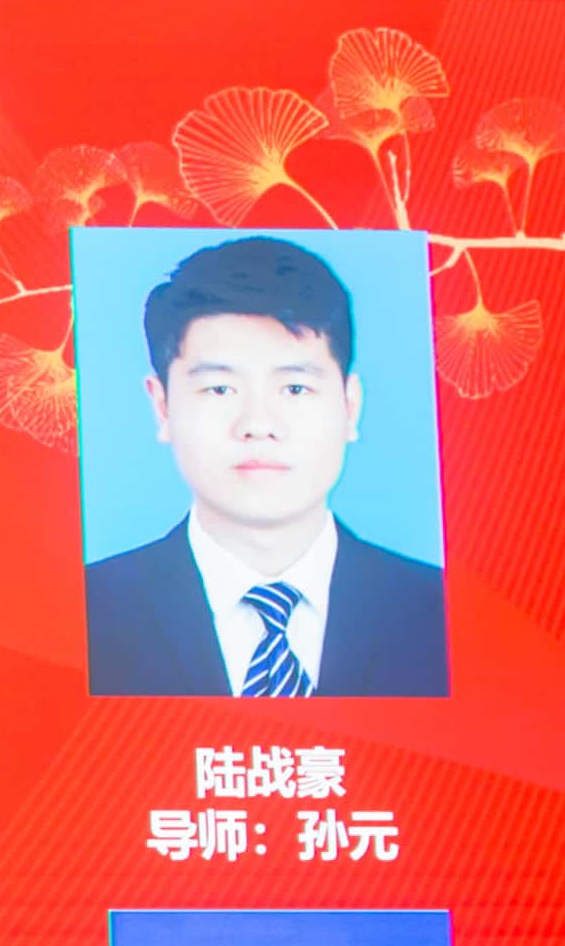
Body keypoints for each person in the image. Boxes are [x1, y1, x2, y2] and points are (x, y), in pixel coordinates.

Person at [83, 236, 446, 698]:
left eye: (294, 389)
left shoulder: (440, 611)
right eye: (219, 389)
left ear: (350, 407)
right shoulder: (88, 611)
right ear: (162, 408)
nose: (258, 425)